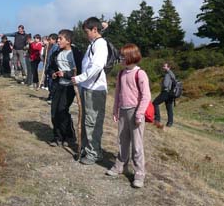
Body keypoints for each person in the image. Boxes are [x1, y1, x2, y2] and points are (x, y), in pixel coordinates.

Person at [106, 44, 150, 189]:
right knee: (122, 141)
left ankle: (139, 173)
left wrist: (139, 114)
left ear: (131, 57)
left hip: (136, 112)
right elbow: (118, 93)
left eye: (123, 57)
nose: (121, 59)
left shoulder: (140, 73)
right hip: (123, 112)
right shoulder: (121, 73)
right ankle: (120, 166)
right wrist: (115, 111)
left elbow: (146, 96)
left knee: (137, 145)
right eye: (121, 57)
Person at [71, 16, 108, 165]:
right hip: (87, 87)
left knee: (92, 122)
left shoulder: (100, 44)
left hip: (95, 89)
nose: (86, 35)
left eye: (87, 31)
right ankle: (87, 149)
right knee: (87, 120)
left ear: (94, 30)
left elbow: (97, 66)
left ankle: (94, 153)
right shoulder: (94, 43)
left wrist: (80, 78)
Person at [47, 29, 82, 147]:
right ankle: (57, 137)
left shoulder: (75, 54)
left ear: (68, 41)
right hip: (58, 85)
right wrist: (52, 73)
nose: (58, 40)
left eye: (60, 38)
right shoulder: (57, 53)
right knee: (54, 111)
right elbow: (50, 67)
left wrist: (66, 74)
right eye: (57, 38)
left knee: (62, 110)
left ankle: (69, 136)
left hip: (71, 87)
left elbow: (80, 72)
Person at [152, 63, 176, 127]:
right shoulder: (172, 74)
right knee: (169, 108)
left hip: (166, 92)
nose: (163, 67)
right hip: (171, 93)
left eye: (164, 66)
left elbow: (165, 84)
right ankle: (170, 123)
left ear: (168, 67)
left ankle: (157, 119)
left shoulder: (167, 75)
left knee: (155, 103)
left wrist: (162, 84)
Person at [45, 33, 59, 103]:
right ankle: (51, 96)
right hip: (49, 67)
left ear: (54, 40)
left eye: (50, 40)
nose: (49, 41)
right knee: (49, 83)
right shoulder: (52, 46)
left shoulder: (56, 47)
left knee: (51, 83)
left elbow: (53, 59)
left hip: (52, 68)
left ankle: (52, 97)